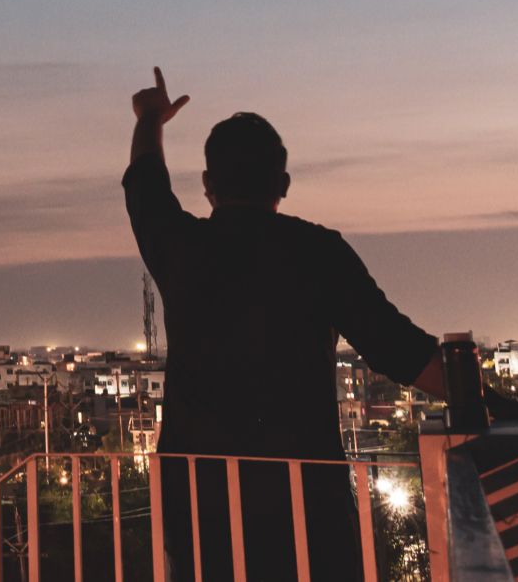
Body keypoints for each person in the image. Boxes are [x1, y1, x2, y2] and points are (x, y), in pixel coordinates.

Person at [123, 67, 446, 580]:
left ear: (208, 184)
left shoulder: (184, 250)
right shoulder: (320, 252)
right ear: (284, 184)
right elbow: (398, 350)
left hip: (199, 499)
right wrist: (486, 400)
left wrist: (151, 121)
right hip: (305, 500)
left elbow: (145, 189)